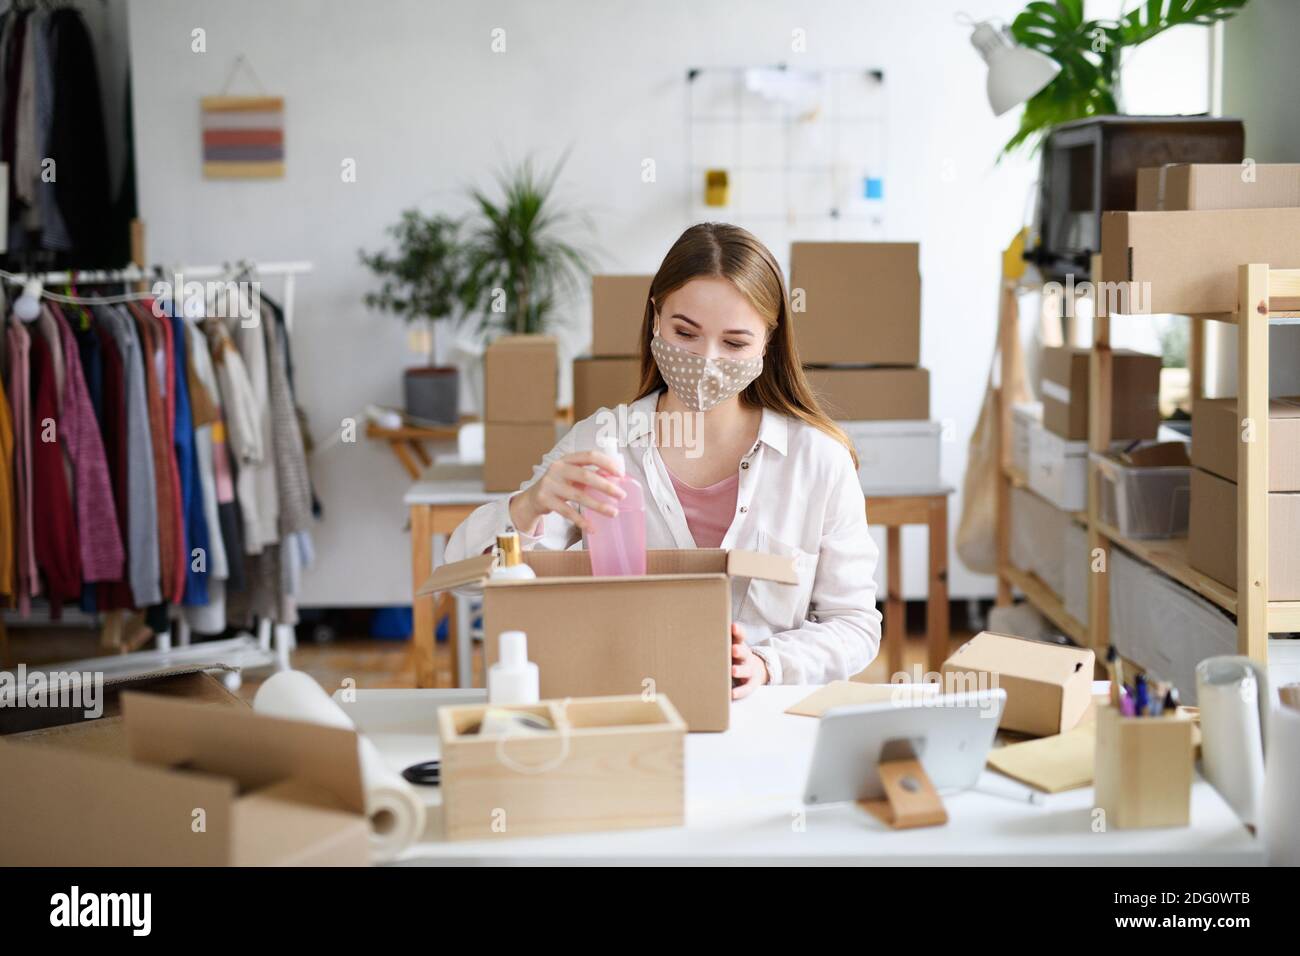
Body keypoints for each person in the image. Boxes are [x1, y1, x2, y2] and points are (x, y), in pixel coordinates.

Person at [447, 222, 882, 696]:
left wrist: (765, 662)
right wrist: (528, 506)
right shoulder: (601, 442)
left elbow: (855, 624)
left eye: (735, 343)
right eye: (685, 332)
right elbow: (466, 580)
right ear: (655, 316)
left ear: (768, 344)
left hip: (762, 722)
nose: (706, 360)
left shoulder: (816, 460)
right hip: (626, 706)